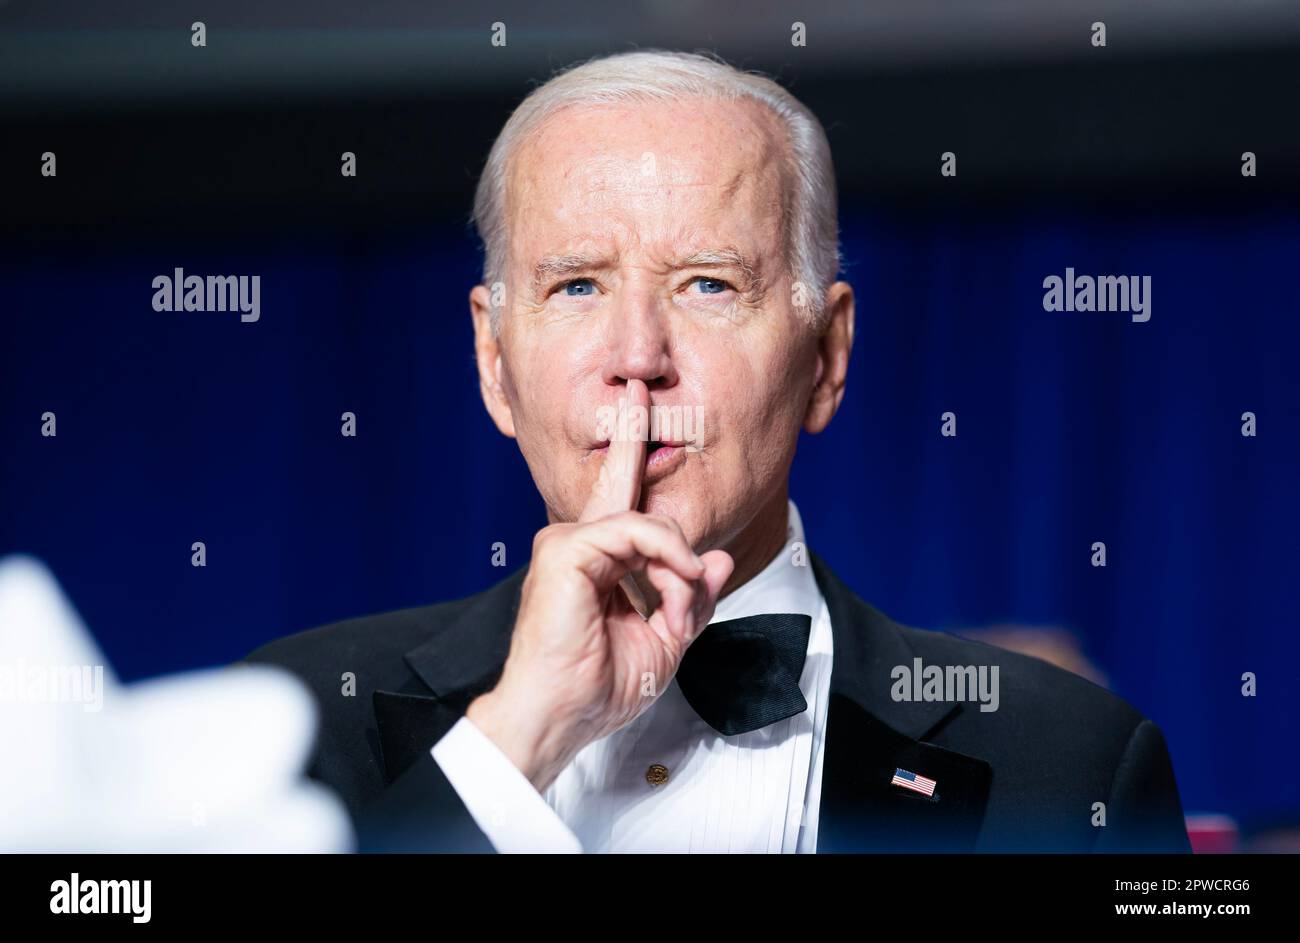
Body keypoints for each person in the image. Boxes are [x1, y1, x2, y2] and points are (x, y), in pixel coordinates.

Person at [243, 49, 1190, 853]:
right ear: (495, 363)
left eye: (706, 284)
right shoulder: (290, 721)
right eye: (576, 286)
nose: (637, 360)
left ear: (825, 357)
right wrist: (513, 739)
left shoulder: (1071, 767)